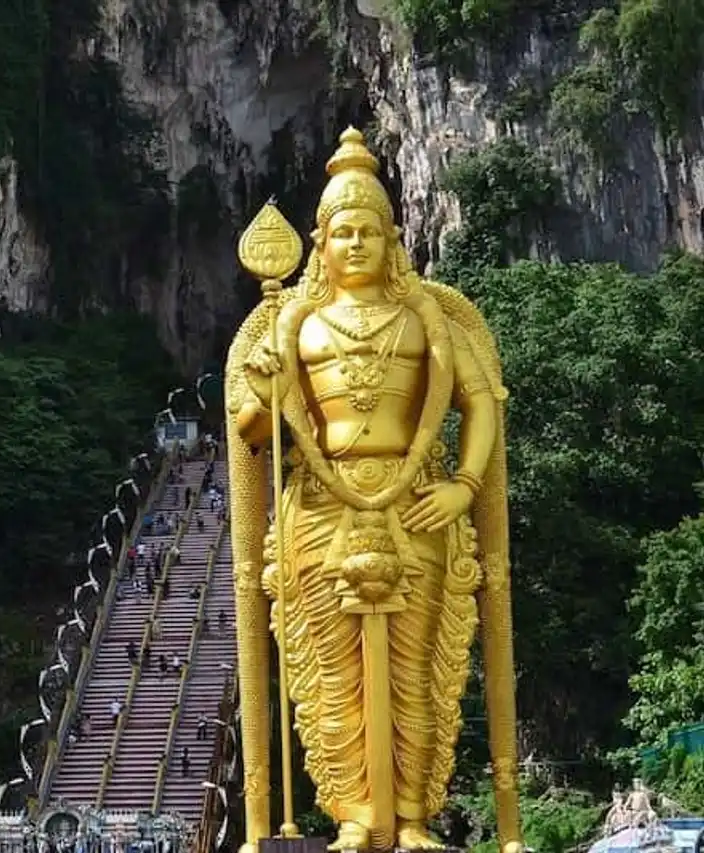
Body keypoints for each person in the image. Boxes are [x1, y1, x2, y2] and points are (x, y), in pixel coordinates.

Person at [226, 127, 522, 850]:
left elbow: (482, 403)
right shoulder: (292, 325)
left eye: (369, 230)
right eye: (341, 231)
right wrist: (266, 383)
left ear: (393, 240)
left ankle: (415, 817)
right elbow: (252, 431)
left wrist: (462, 484)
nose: (354, 243)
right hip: (323, 509)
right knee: (332, 674)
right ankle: (354, 813)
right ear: (319, 244)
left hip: (415, 503)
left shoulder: (431, 321)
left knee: (419, 670)